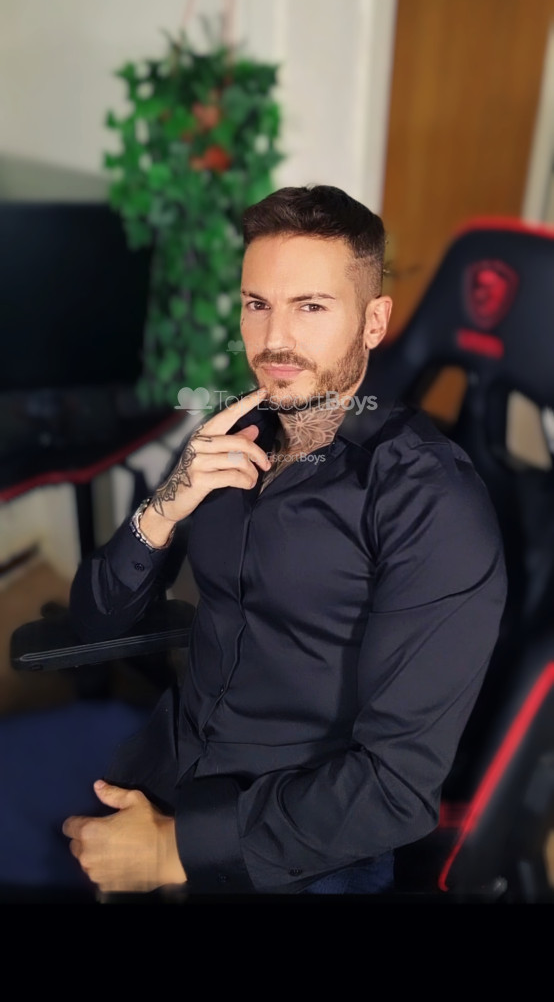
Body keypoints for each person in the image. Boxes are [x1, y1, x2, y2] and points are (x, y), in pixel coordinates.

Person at [34, 185, 510, 896]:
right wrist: (164, 507)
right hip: (166, 764)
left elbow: (396, 789)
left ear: (374, 321)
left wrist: (172, 851)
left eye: (310, 307)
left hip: (304, 837)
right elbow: (94, 617)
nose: (274, 340)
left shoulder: (430, 502)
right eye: (257, 304)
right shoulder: (231, 435)